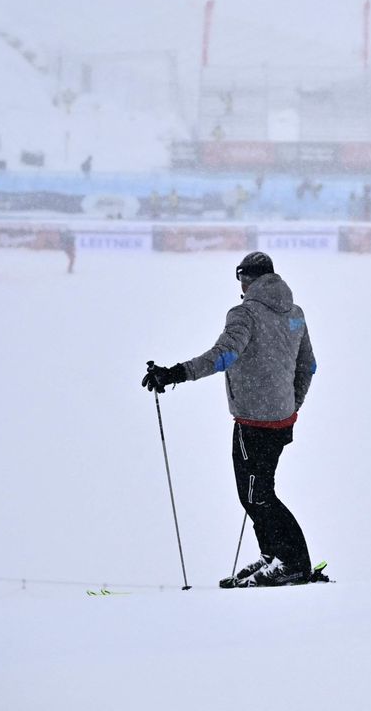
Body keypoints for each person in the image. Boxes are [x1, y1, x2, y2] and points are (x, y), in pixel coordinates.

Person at [141, 252, 317, 588]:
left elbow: (223, 355)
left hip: (254, 423)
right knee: (259, 492)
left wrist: (174, 374)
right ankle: (273, 556)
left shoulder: (245, 313)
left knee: (257, 495)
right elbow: (307, 366)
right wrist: (292, 404)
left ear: (246, 279)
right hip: (282, 421)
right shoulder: (295, 314)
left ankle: (293, 563)